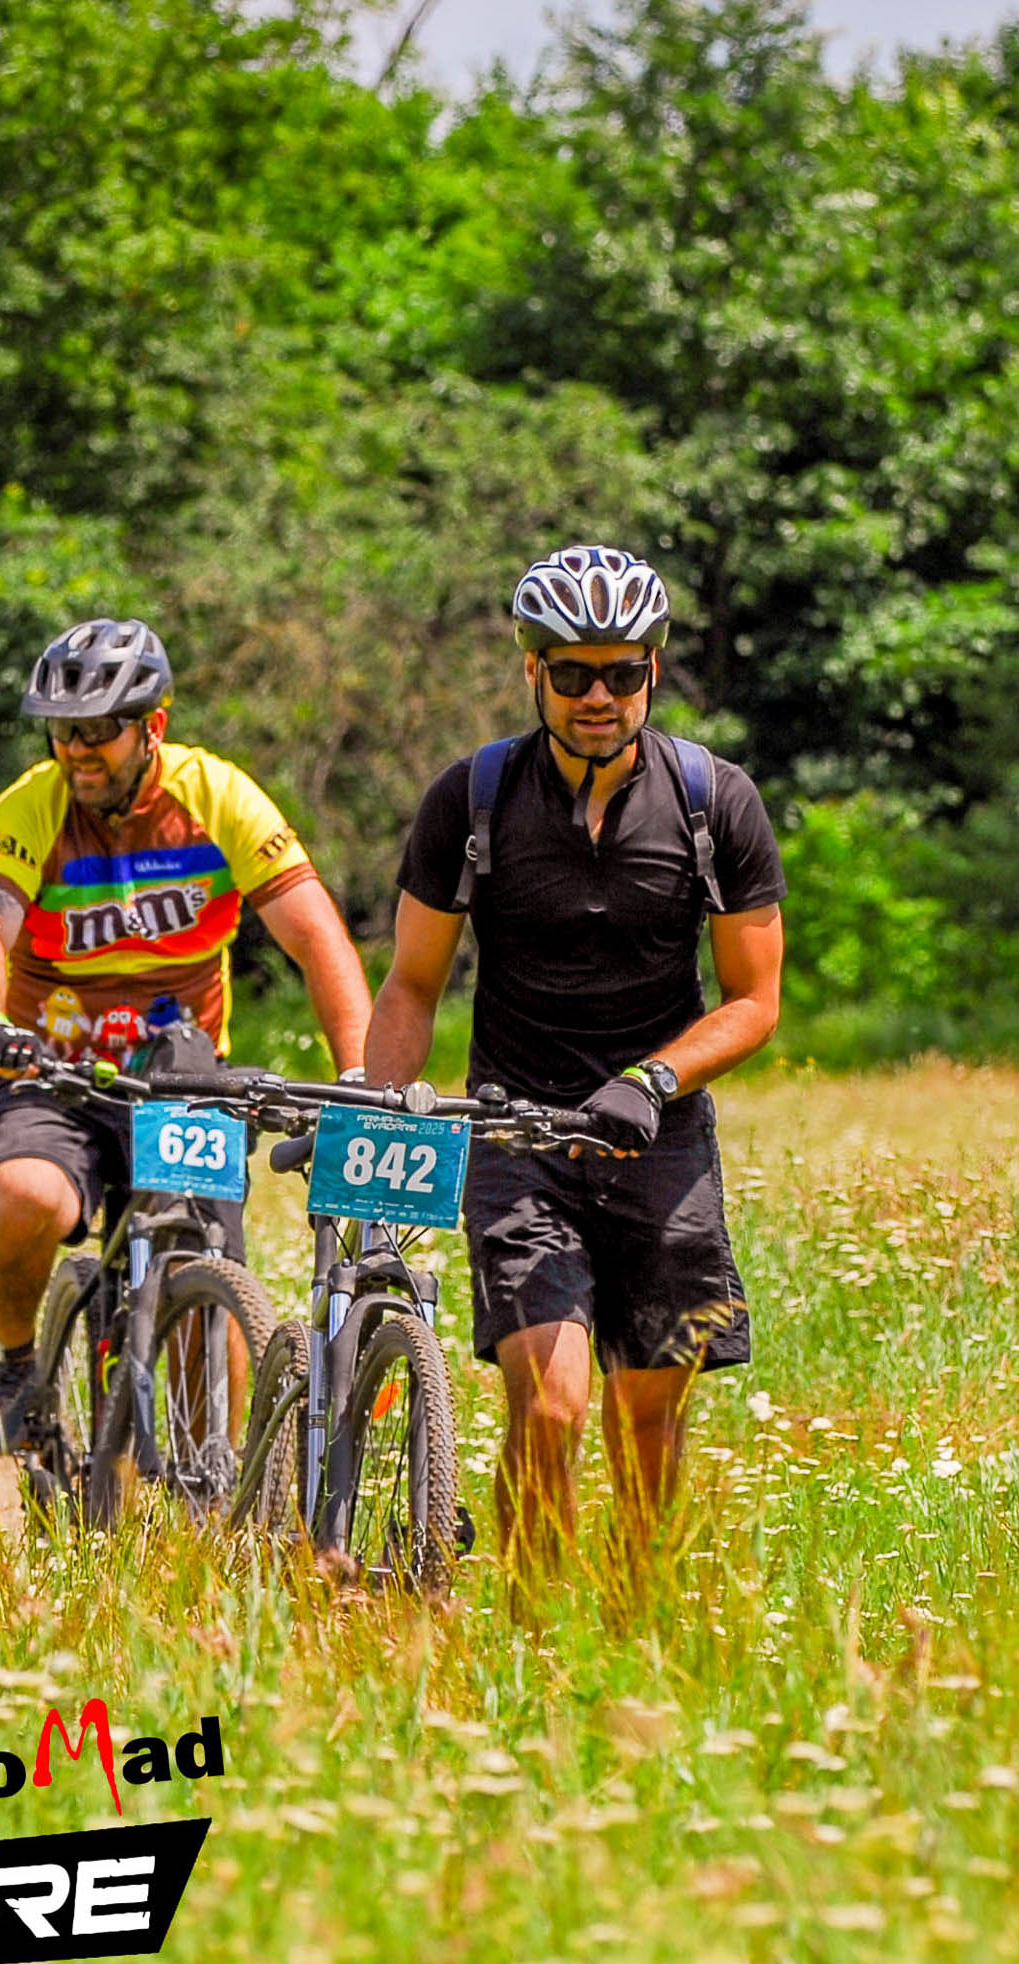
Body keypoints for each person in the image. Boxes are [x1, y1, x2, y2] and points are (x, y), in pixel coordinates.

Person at [364, 546, 786, 1581]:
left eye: (622, 672)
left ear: (652, 669)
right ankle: (533, 1631)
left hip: (659, 1142)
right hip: (519, 1138)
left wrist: (651, 1081)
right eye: (571, 673)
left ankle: (632, 1633)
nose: (598, 696)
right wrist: (380, 1123)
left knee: (648, 1422)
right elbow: (411, 984)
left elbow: (753, 1000)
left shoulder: (713, 801)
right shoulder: (471, 800)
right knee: (550, 1406)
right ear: (531, 670)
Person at [0, 617, 373, 1453]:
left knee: (204, 1268)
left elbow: (317, 939)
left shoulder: (216, 796)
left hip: (180, 1072)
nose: (78, 751)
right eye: (63, 732)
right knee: (25, 1195)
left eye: (99, 731)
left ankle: (206, 1474)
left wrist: (359, 1076)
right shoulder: (31, 806)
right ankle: (16, 1360)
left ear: (153, 728)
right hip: (49, 1070)